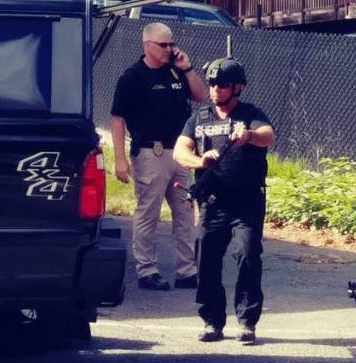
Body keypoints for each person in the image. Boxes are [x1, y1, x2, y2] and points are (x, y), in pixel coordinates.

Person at [173, 58, 275, 344]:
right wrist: (200, 160)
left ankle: (247, 322)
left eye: (222, 84)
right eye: (212, 84)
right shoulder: (199, 117)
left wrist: (249, 136)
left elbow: (268, 136)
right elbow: (180, 151)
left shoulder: (249, 114)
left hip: (246, 201)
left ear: (237, 87)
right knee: (206, 258)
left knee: (247, 254)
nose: (216, 89)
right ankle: (211, 321)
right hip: (213, 201)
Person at [111, 22, 207, 291]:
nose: (169, 49)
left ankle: (186, 270)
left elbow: (201, 96)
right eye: (163, 45)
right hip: (150, 152)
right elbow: (117, 119)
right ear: (147, 46)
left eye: (171, 44)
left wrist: (187, 68)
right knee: (148, 213)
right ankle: (147, 270)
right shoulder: (133, 78)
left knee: (185, 212)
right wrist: (120, 159)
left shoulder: (175, 71)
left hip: (179, 152)